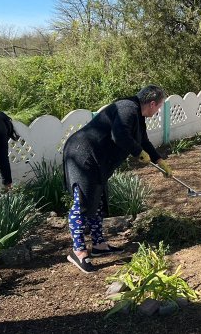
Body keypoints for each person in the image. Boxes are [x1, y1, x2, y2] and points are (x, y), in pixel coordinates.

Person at [63, 85, 172, 273]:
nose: (158, 111)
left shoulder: (137, 113)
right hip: (82, 156)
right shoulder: (128, 109)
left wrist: (159, 160)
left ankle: (99, 245)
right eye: (159, 107)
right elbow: (119, 135)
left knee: (97, 201)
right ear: (152, 103)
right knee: (82, 203)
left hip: (96, 160)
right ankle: (78, 251)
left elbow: (142, 140)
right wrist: (138, 153)